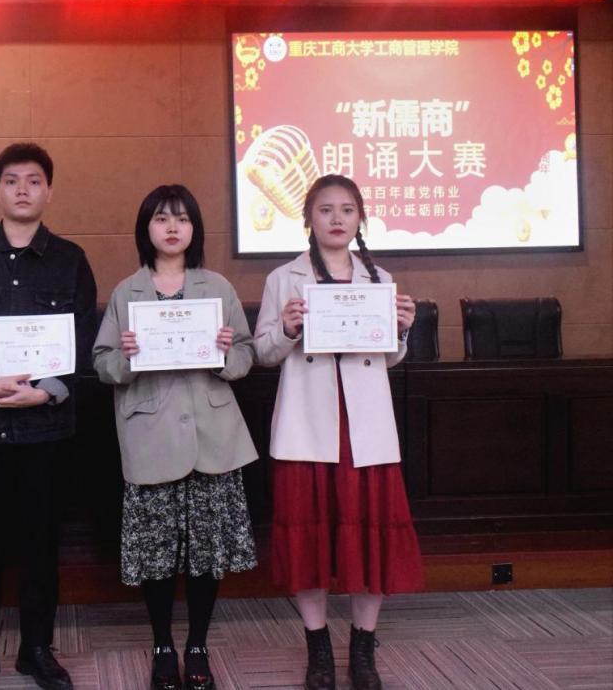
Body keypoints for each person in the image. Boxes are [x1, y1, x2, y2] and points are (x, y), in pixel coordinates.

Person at [0, 143, 98, 690]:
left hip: (46, 429)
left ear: (48, 190)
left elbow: (83, 336)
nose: (22, 189)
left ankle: (36, 650)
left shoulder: (71, 259)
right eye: (11, 180)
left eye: (33, 180)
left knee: (41, 543)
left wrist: (48, 392)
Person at [253, 174, 423, 690]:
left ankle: (364, 649)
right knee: (309, 542)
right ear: (309, 217)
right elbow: (263, 352)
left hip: (365, 426)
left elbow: (390, 356)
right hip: (308, 424)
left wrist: (402, 329)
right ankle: (319, 648)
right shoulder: (284, 278)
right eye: (325, 209)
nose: (336, 219)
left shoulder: (379, 277)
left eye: (347, 210)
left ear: (360, 218)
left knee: (371, 540)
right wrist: (287, 328)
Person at [93, 184, 258, 690]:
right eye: (162, 218)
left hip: (213, 438)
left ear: (194, 229)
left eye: (182, 219)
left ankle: (198, 644)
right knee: (156, 555)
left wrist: (226, 352)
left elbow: (246, 354)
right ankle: (163, 644)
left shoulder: (217, 287)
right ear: (146, 228)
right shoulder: (127, 292)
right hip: (151, 436)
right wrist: (126, 356)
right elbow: (102, 362)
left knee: (207, 553)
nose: (172, 227)